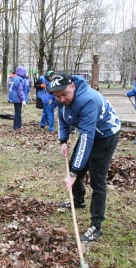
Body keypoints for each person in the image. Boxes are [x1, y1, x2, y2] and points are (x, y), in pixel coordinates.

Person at [49, 72, 121, 242]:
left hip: (106, 135)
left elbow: (87, 138)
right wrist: (63, 141)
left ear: (72, 86)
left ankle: (96, 226)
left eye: (64, 95)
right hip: (89, 133)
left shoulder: (88, 100)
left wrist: (73, 173)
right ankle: (78, 201)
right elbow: (62, 117)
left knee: (97, 180)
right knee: (76, 166)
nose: (61, 100)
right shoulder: (61, 98)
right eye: (57, 96)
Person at [8, 66, 27, 132]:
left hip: (14, 97)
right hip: (18, 98)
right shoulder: (20, 80)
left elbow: (10, 87)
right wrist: (23, 99)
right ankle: (17, 126)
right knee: (18, 113)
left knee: (17, 112)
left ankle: (18, 125)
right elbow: (20, 90)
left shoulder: (14, 78)